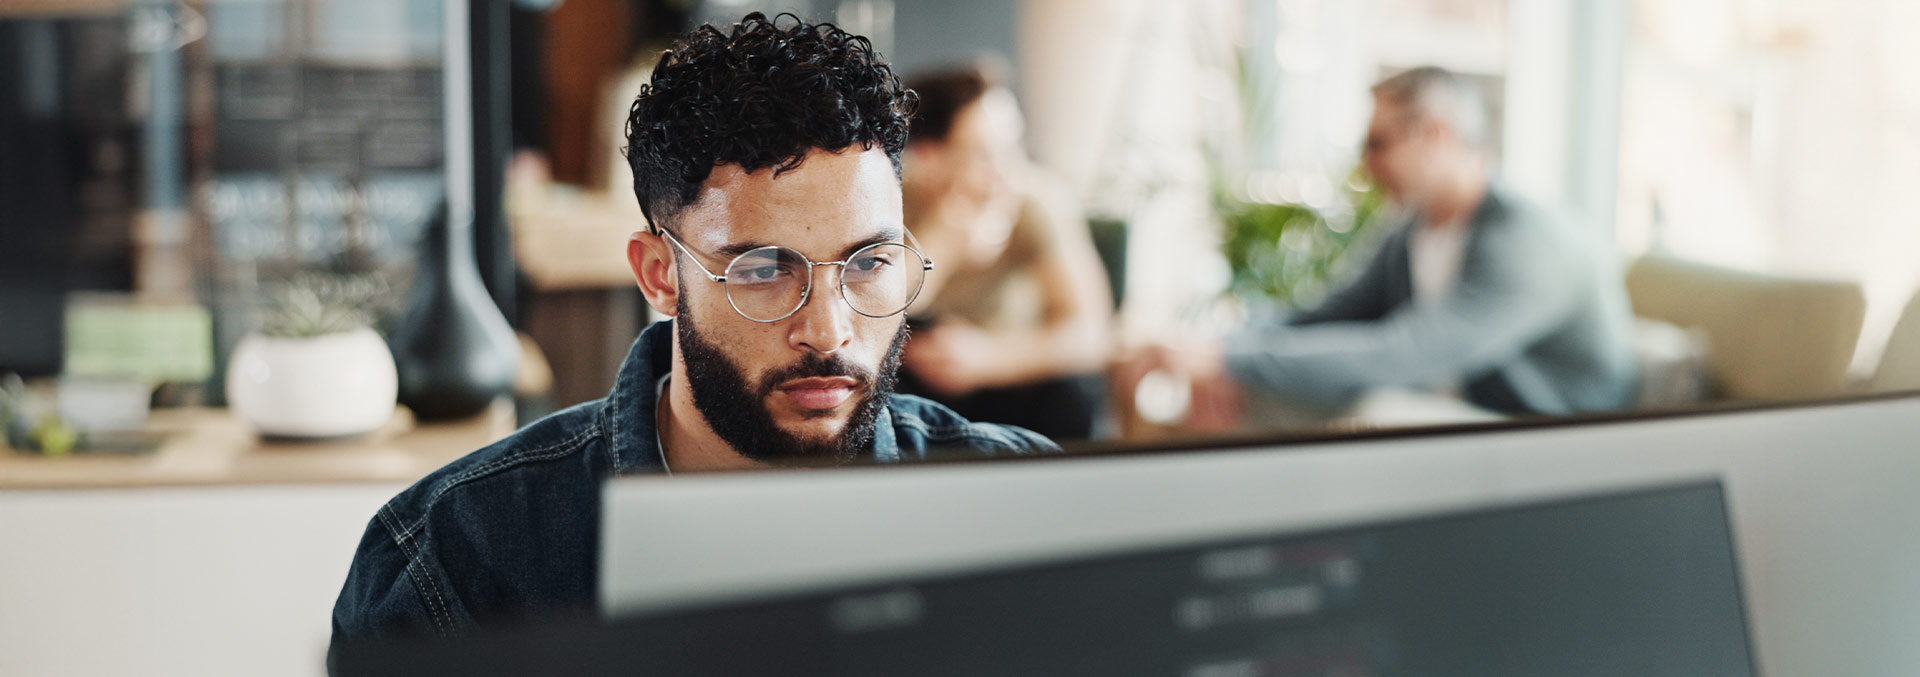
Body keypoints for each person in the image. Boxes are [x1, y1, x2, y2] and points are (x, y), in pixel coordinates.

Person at [329, 12, 1058, 651]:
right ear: (659, 276)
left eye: (869, 262)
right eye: (766, 268)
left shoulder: (1037, 513)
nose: (829, 330)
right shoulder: (457, 557)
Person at [1123, 66, 1637, 423]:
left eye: (1378, 143)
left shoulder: (1528, 240)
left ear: (1435, 134)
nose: (1367, 165)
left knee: (1371, 416)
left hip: (1549, 431)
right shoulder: (1413, 229)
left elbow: (1404, 351)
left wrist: (1230, 362)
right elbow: (1325, 313)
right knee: (1235, 396)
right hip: (1452, 401)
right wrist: (1220, 348)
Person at [896, 62, 1114, 440]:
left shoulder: (1035, 201)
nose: (1005, 172)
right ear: (929, 157)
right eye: (983, 154)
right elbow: (874, 308)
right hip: (911, 376)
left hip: (1009, 373)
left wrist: (988, 359)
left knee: (1070, 398)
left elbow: (1091, 333)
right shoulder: (888, 201)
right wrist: (945, 237)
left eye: (1012, 148)